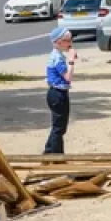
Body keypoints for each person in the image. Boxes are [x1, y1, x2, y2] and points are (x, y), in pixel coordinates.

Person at [45, 26, 76, 155]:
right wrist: (71, 61)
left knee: (59, 127)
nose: (70, 43)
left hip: (59, 92)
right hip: (57, 93)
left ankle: (48, 153)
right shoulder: (57, 58)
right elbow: (68, 77)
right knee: (58, 128)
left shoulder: (58, 55)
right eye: (67, 40)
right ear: (59, 42)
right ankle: (57, 156)